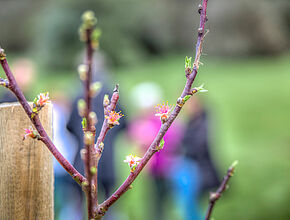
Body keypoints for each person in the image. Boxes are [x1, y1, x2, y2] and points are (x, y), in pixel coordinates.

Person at [170, 96, 220, 220]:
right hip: (189, 168)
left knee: (191, 206)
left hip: (194, 168)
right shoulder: (192, 121)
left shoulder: (202, 121)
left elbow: (199, 145)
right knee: (187, 206)